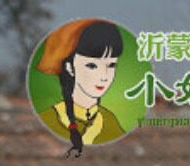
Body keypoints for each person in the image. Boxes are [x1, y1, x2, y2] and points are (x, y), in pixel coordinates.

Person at [34, 18, 127, 156]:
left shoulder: (111, 122)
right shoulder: (48, 120)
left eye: (111, 65)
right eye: (92, 66)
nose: (104, 76)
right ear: (69, 67)